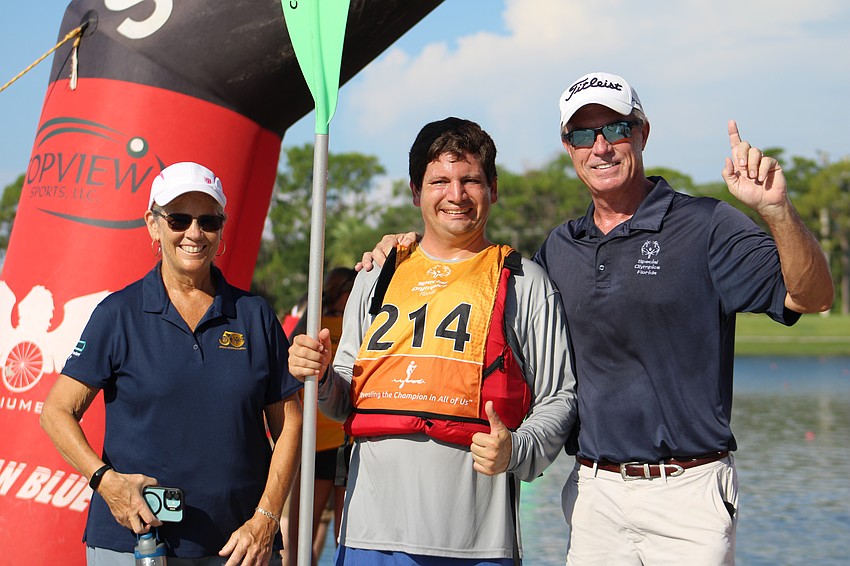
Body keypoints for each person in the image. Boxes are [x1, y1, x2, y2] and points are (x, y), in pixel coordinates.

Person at [362, 73, 834, 565]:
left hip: (688, 491)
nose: (601, 146)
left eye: (616, 128)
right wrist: (408, 252)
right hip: (593, 493)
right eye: (584, 134)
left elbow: (813, 296)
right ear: (569, 147)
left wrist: (777, 212)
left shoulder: (707, 224)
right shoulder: (558, 249)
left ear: (643, 133)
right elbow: (473, 278)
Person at [288, 117, 577, 565]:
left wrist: (517, 450)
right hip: (370, 535)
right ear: (416, 191)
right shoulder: (375, 275)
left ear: (493, 188)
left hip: (477, 543)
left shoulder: (526, 283)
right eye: (439, 180)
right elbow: (342, 399)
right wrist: (322, 377)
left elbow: (559, 397)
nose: (456, 195)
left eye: (471, 180)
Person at [40, 161, 304, 565]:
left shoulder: (254, 315)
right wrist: (105, 482)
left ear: (221, 227)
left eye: (209, 221)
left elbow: (289, 424)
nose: (194, 234)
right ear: (153, 224)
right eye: (179, 219)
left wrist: (266, 518)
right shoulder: (119, 313)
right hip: (133, 545)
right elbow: (57, 411)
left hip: (239, 547)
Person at [284, 267, 356, 566]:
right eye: (349, 289)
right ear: (339, 292)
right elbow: (288, 363)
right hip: (315, 441)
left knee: (346, 535)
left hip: (348, 441)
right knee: (302, 531)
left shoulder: (360, 322)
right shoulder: (313, 323)